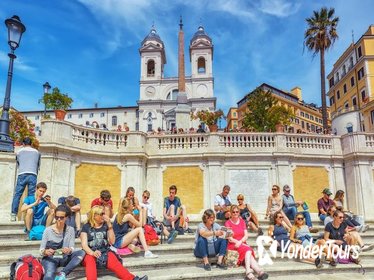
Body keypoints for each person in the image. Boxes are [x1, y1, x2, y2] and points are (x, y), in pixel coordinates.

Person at [81, 205, 148, 280]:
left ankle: (133, 279)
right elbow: (84, 245)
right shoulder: (86, 227)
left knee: (113, 260)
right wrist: (92, 253)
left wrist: (109, 225)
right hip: (90, 252)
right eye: (102, 214)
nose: (104, 215)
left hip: (104, 252)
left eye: (104, 213)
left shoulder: (106, 225)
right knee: (90, 260)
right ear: (95, 216)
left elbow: (112, 241)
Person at [40, 204, 85, 280]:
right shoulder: (48, 230)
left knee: (81, 252)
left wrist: (69, 250)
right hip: (51, 258)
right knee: (49, 276)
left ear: (66, 218)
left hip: (64, 257)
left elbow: (72, 247)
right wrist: (45, 251)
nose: (59, 219)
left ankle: (63, 273)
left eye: (61, 217)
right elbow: (41, 250)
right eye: (57, 217)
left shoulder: (70, 230)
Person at [225, 205, 268, 280]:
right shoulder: (228, 223)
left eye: (237, 212)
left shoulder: (242, 222)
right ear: (231, 213)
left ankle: (258, 272)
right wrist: (238, 242)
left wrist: (240, 242)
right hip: (233, 245)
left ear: (239, 213)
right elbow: (229, 238)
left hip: (242, 244)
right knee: (248, 250)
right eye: (233, 212)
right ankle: (249, 271)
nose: (235, 213)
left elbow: (246, 235)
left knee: (248, 253)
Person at [11, 137, 41, 222]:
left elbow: (18, 163)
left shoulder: (19, 152)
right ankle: (30, 213)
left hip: (22, 174)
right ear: (31, 144)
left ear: (23, 144)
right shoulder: (37, 152)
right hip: (33, 174)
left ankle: (13, 214)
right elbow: (38, 166)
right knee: (31, 195)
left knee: (17, 195)